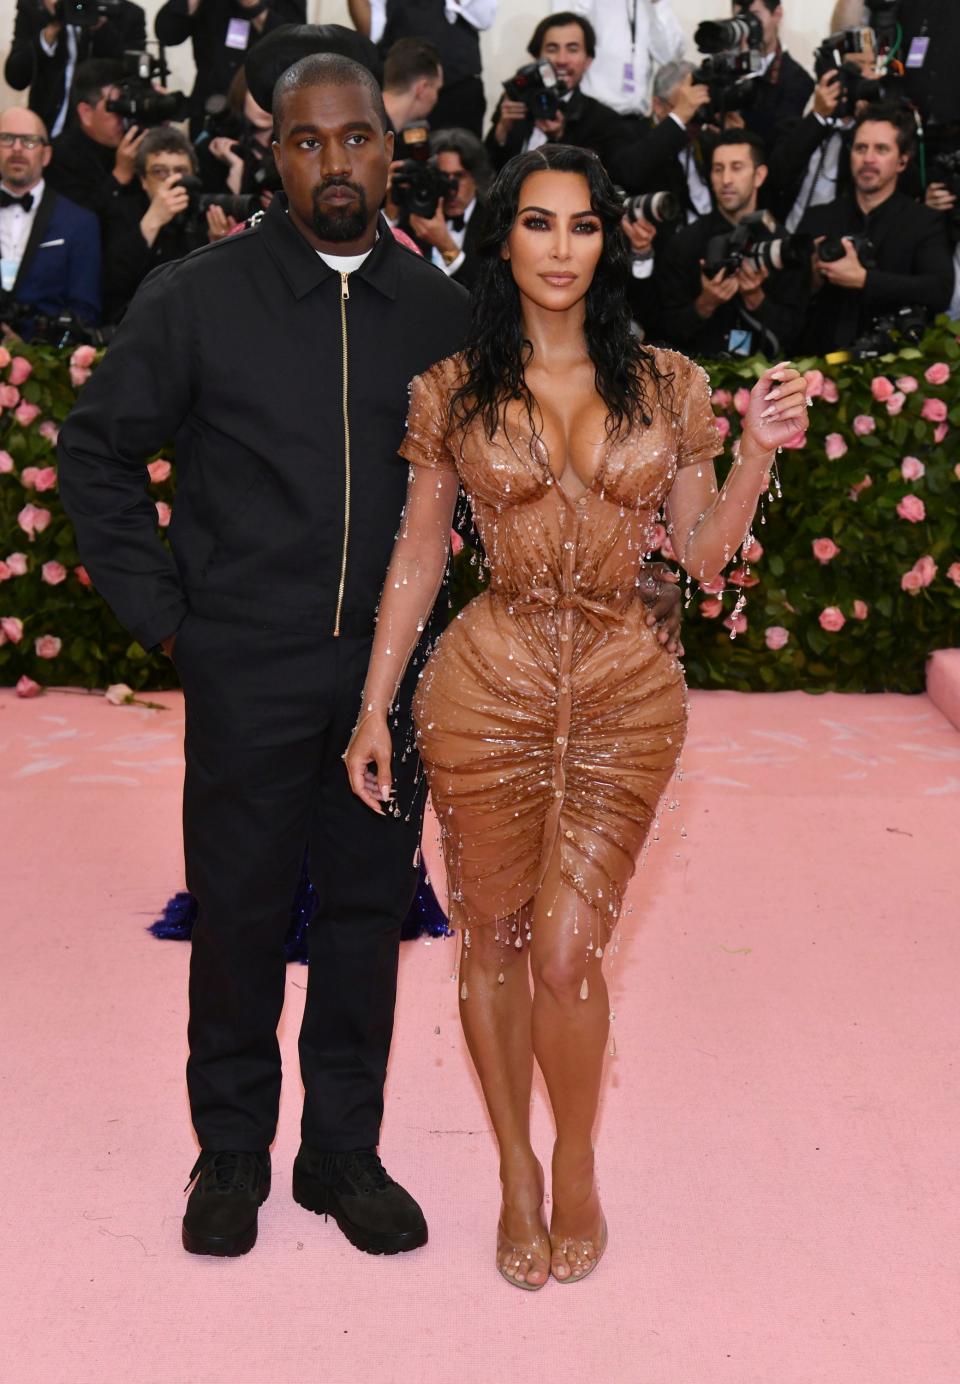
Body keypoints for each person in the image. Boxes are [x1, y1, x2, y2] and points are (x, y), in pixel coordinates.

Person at [344, 142, 808, 1288]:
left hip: (623, 691)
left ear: (611, 240)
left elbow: (701, 556)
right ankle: (514, 1168)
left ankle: (579, 1158)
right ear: (504, 237)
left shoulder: (668, 384)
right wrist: (371, 707)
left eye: (585, 225)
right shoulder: (453, 389)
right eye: (539, 224)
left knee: (563, 945)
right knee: (492, 935)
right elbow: (415, 554)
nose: (562, 248)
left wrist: (751, 456)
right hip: (483, 685)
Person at [58, 52, 472, 1261]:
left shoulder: (444, 314)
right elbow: (99, 455)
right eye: (307, 141)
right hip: (247, 664)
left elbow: (485, 492)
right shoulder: (197, 298)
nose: (333, 161)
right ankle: (231, 1146)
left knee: (365, 912)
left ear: (391, 147)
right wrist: (174, 622)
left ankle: (342, 1151)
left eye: (355, 140)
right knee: (235, 914)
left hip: (389, 683)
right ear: (271, 150)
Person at [797, 104, 955, 354]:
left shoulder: (923, 221)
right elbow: (784, 294)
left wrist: (864, 280)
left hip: (896, 366)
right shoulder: (820, 217)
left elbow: (939, 290)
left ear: (902, 161)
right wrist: (813, 277)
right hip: (817, 364)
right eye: (861, 148)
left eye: (881, 149)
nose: (868, 158)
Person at [657, 130, 807, 357]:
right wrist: (705, 304)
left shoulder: (782, 247)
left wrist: (756, 299)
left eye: (737, 167)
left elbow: (796, 333)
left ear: (759, 175)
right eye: (718, 169)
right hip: (699, 378)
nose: (726, 179)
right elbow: (665, 328)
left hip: (765, 380)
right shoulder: (686, 243)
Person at [101, 127, 231, 323]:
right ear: (143, 180)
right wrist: (153, 220)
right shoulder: (123, 212)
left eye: (181, 171)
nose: (172, 180)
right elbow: (111, 284)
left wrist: (217, 247)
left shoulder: (204, 215)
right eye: (159, 172)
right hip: (135, 325)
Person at [485, 13, 627, 175]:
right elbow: (484, 171)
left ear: (588, 60)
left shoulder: (603, 121)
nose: (561, 60)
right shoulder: (515, 102)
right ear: (537, 57)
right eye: (552, 49)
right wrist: (502, 130)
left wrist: (560, 138)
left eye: (572, 49)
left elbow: (597, 184)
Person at [0, 104, 100, 334]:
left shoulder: (79, 223)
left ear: (46, 155)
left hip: (47, 362)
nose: (17, 149)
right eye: (7, 139)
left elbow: (85, 311)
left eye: (29, 141)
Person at [154, 0, 307, 136]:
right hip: (209, 111)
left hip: (260, 118)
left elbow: (293, 45)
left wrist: (252, 6)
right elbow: (167, 34)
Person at [348, 0, 495, 136]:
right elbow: (373, 31)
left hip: (458, 87)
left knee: (459, 157)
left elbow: (484, 18)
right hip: (403, 88)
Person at [4, 0, 145, 138]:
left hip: (96, 137)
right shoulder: (35, 8)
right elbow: (16, 78)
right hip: (46, 131)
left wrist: (100, 26)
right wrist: (51, 27)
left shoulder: (124, 13)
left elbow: (135, 78)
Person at [45, 58, 146, 224]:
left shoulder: (137, 139)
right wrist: (118, 178)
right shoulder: (59, 158)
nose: (124, 117)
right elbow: (78, 221)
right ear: (86, 113)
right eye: (115, 108)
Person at [549, 0, 684, 120]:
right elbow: (563, 33)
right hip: (589, 117)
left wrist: (657, 3)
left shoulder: (646, 4)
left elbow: (670, 58)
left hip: (636, 120)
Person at [405, 127, 490, 288]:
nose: (452, 188)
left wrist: (446, 247)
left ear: (475, 178)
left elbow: (487, 293)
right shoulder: (415, 216)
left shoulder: (493, 222)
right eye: (443, 177)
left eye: (459, 176)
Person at [734, 1, 814, 152]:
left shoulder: (796, 79)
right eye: (740, 18)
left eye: (755, 17)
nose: (748, 28)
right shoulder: (725, 73)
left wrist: (738, 130)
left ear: (777, 14)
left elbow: (781, 148)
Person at [381, 37, 444, 133]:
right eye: (437, 89)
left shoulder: (362, 117)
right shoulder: (374, 134)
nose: (436, 99)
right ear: (422, 89)